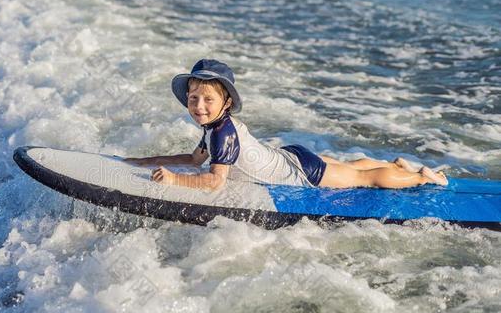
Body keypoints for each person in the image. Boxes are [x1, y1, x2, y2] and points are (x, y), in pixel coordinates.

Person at [124, 59, 448, 191]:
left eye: (208, 100)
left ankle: (419, 176)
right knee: (352, 166)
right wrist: (144, 162)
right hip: (289, 155)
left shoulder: (222, 133)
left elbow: (213, 182)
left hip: (300, 171)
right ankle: (395, 163)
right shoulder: (215, 127)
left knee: (369, 179)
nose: (198, 106)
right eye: (194, 98)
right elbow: (195, 159)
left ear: (226, 104)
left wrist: (173, 180)